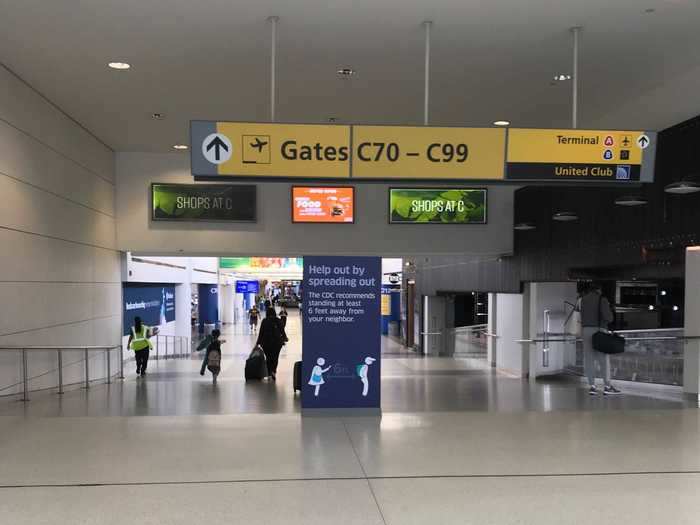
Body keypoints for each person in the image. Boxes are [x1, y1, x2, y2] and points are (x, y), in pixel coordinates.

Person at [577, 283, 621, 396]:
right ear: (599, 289)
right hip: (599, 332)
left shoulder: (582, 300)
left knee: (589, 359)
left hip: (585, 331)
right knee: (603, 360)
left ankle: (592, 386)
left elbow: (579, 317)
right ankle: (607, 386)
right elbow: (609, 318)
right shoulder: (602, 299)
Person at [256, 307, 287, 380]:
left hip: (266, 342)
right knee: (275, 357)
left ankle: (269, 372)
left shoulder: (265, 321)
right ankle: (273, 371)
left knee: (268, 357)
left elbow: (261, 332)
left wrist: (258, 342)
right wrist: (285, 338)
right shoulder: (278, 320)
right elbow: (282, 331)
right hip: (277, 343)